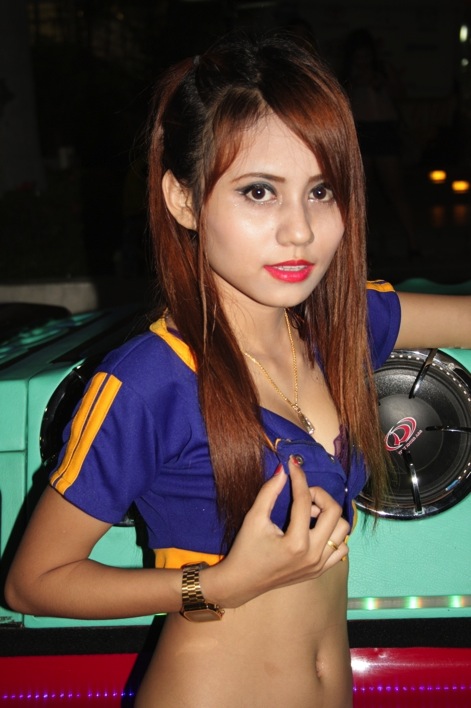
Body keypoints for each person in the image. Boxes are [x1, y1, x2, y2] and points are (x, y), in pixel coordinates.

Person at [5, 32, 471, 707]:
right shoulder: (150, 381)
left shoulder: (340, 326)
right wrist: (216, 586)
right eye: (259, 192)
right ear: (183, 200)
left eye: (320, 191)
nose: (299, 230)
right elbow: (33, 581)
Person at [342, 28, 421, 258]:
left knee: (396, 189)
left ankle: (413, 243)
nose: (363, 60)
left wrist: (381, 81)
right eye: (359, 56)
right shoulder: (346, 73)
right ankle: (356, 250)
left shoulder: (383, 69)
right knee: (359, 193)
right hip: (361, 132)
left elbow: (401, 95)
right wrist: (354, 82)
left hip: (385, 131)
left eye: (366, 55)